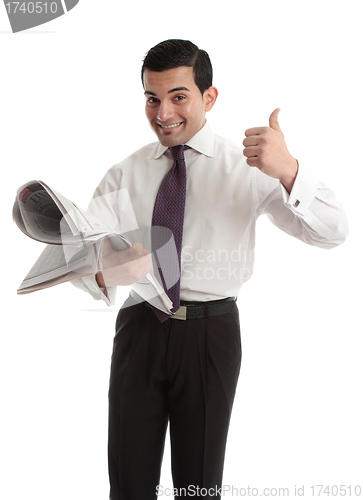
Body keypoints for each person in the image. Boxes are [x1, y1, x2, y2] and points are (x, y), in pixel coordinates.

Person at [72, 39, 348, 499]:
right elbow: (84, 262)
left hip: (210, 333)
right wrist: (104, 273)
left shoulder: (251, 167)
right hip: (140, 327)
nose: (163, 113)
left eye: (178, 96)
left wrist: (290, 171)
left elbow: (333, 232)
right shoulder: (125, 172)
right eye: (152, 98)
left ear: (209, 97)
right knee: (127, 482)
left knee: (198, 486)